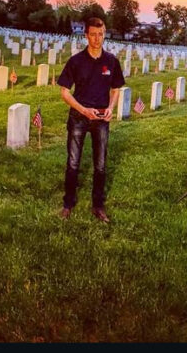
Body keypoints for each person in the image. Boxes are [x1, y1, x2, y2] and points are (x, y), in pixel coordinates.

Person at [56, 17, 125, 223]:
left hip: (101, 117)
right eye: (93, 34)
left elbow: (115, 88)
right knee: (73, 162)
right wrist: (83, 110)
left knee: (101, 165)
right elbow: (65, 92)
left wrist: (111, 108)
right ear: (86, 36)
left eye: (101, 34)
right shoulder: (76, 61)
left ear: (105, 34)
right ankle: (68, 204)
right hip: (79, 116)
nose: (97, 38)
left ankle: (98, 206)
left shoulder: (111, 61)